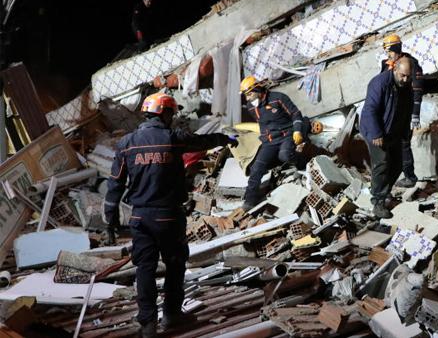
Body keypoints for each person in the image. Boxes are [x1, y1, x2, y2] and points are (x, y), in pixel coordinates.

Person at [104, 92, 238, 337]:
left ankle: (148, 324)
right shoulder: (173, 139)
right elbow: (202, 142)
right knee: (175, 267)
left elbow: (114, 184)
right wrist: (226, 138)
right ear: (164, 113)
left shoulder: (127, 143)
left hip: (140, 218)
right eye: (171, 114)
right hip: (169, 217)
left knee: (145, 269)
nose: (172, 118)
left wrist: (110, 220)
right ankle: (172, 315)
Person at [360, 57, 415, 219]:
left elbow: (407, 109)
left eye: (408, 76)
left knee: (397, 165)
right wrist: (376, 133)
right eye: (403, 75)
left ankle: (381, 191)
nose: (405, 79)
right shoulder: (379, 83)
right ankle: (378, 201)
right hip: (375, 130)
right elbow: (370, 109)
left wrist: (405, 132)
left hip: (394, 131)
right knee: (382, 163)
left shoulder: (406, 86)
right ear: (395, 69)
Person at [240, 76, 304, 210]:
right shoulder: (251, 107)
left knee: (285, 155)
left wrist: (297, 131)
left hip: (286, 135)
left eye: (249, 94)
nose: (248, 98)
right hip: (269, 141)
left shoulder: (278, 98)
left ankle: (301, 162)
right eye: (246, 96)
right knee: (256, 169)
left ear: (258, 89)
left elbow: (296, 114)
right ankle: (250, 200)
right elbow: (262, 125)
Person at [379, 34, 424, 188]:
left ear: (397, 48)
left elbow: (417, 89)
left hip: (405, 111)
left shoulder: (411, 64)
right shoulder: (386, 65)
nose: (388, 54)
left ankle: (410, 177)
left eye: (390, 51)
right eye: (387, 52)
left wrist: (415, 114)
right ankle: (391, 176)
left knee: (404, 144)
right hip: (390, 112)